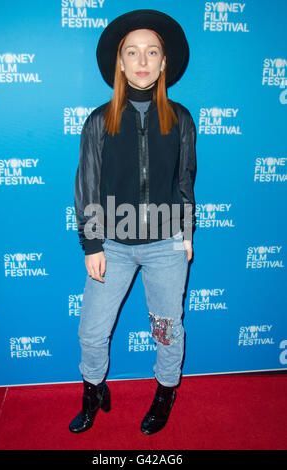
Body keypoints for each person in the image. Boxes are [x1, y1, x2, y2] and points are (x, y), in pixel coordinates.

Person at [69, 9, 197, 435]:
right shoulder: (97, 122)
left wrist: (186, 233)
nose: (142, 60)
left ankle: (165, 392)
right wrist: (92, 245)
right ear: (120, 63)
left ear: (164, 63)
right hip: (114, 246)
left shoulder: (180, 120)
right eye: (133, 52)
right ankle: (93, 390)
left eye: (152, 52)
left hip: (166, 245)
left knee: (166, 329)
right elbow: (86, 186)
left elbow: (185, 182)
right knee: (92, 330)